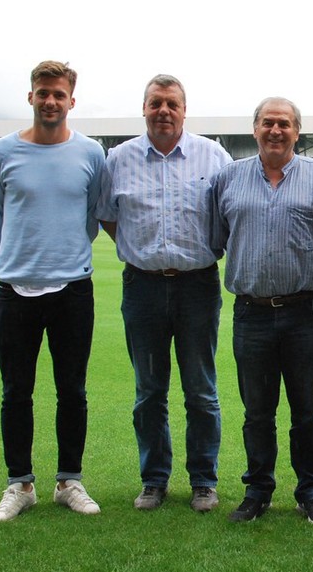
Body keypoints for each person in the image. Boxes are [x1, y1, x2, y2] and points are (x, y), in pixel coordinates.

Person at [96, 74, 231, 512]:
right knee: (149, 392)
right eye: (155, 103)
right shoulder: (119, 159)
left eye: (172, 103)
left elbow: (229, 215)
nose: (164, 111)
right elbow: (108, 216)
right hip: (143, 287)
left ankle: (203, 481)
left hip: (197, 286)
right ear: (144, 108)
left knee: (201, 390)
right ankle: (154, 479)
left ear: (184, 110)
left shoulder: (214, 156)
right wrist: (143, 251)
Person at [0, 60, 104, 521]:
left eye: (58, 94)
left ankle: (69, 481)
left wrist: (62, 257)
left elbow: (91, 218)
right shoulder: (2, 152)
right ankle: (20, 484)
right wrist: (23, 260)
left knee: (72, 390)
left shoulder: (90, 152)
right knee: (16, 391)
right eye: (43, 92)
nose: (50, 101)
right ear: (30, 96)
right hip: (15, 290)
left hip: (72, 289)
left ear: (71, 100)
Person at [210, 97, 313, 524]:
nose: (275, 131)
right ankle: (258, 490)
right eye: (268, 123)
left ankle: (310, 491)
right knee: (257, 413)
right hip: (252, 314)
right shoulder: (228, 178)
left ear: (297, 131)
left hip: (305, 312)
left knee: (307, 413)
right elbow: (218, 237)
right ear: (255, 128)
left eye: (284, 123)